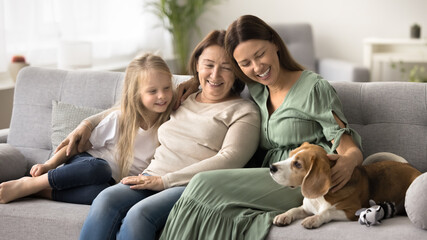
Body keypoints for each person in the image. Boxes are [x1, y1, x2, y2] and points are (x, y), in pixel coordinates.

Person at [160, 15, 363, 240]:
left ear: (274, 43)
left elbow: (347, 146)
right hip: (267, 174)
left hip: (301, 182)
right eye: (245, 63)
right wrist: (194, 81)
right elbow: (217, 64)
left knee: (202, 182)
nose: (257, 67)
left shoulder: (314, 89)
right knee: (205, 192)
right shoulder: (257, 87)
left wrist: (351, 159)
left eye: (260, 54)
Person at [73, 30, 260, 240]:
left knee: (138, 215)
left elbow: (230, 159)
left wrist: (164, 181)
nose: (215, 75)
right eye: (208, 65)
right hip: (151, 176)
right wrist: (88, 123)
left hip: (194, 186)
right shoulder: (181, 97)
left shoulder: (244, 111)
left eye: (226, 68)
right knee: (105, 198)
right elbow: (130, 107)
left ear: (236, 72)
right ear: (197, 65)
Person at [0, 54, 175, 205]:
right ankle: (31, 184)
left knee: (104, 194)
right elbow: (76, 146)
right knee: (100, 169)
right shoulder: (120, 119)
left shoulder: (170, 123)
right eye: (153, 91)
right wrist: (50, 164)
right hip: (88, 164)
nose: (162, 95)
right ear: (135, 93)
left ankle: (40, 192)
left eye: (167, 88)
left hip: (109, 181)